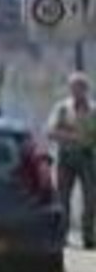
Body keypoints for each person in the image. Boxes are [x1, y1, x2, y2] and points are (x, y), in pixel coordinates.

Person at [48, 72, 96, 249]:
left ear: (86, 89)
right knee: (63, 198)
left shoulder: (93, 109)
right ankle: (62, 236)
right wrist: (72, 136)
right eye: (74, 87)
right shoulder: (62, 108)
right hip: (66, 157)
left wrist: (89, 139)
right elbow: (51, 132)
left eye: (81, 87)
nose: (78, 91)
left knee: (91, 198)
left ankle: (89, 236)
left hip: (87, 157)